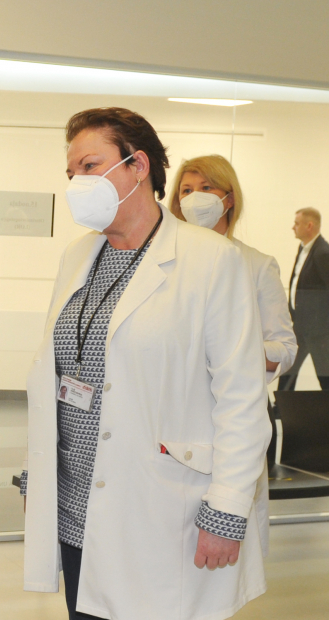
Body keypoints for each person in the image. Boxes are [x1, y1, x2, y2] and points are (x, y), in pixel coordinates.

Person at [20, 108, 270, 620]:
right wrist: (37, 473)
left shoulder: (211, 260)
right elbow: (57, 378)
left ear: (138, 166)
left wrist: (227, 509)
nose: (78, 182)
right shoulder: (78, 256)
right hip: (76, 508)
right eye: (72, 172)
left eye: (91, 166)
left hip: (164, 508)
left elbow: (242, 398)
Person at [169, 155, 297, 385]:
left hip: (233, 395)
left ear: (229, 199)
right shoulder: (165, 261)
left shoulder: (258, 265)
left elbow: (284, 350)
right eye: (186, 190)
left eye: (206, 188)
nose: (195, 197)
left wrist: (233, 351)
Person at [278, 207, 329, 390]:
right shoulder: (304, 248)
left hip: (318, 332)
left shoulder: (323, 253)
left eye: (297, 223)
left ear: (309, 226)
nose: (293, 227)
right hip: (300, 326)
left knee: (324, 375)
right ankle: (282, 403)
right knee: (288, 372)